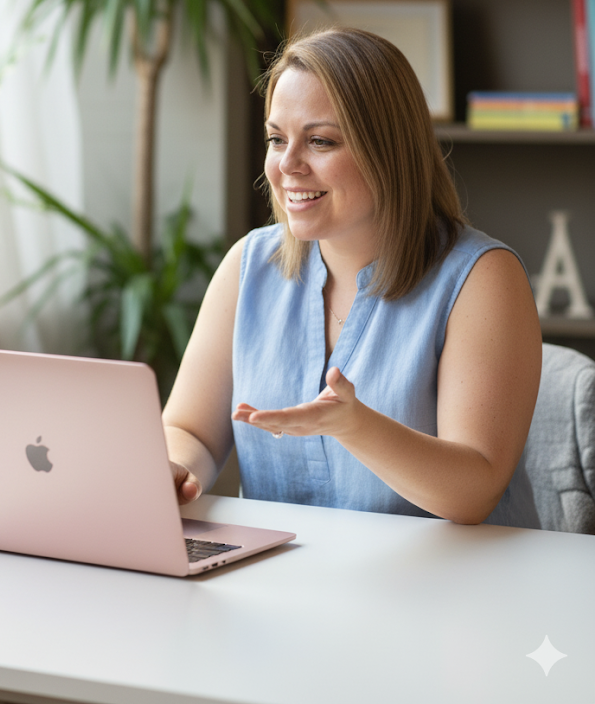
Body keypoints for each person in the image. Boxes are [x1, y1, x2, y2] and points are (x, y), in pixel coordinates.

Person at [162, 28, 542, 527]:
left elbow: (474, 492)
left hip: (451, 589)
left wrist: (356, 427)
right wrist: (176, 470)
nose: (287, 165)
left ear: (388, 150)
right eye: (277, 139)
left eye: (320, 141)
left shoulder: (482, 278)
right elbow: (191, 430)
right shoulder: (248, 264)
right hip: (285, 579)